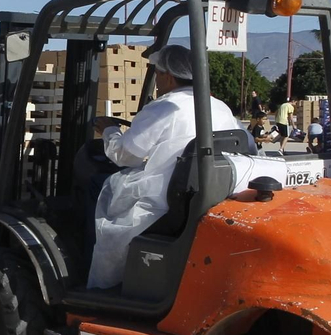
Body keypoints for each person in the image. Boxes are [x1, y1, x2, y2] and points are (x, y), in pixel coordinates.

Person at [85, 44, 238, 290]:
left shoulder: (165, 107)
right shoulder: (219, 106)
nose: (156, 80)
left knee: (97, 187)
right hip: (207, 192)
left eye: (157, 74)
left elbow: (126, 155)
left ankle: (97, 275)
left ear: (167, 75)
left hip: (166, 199)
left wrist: (109, 131)